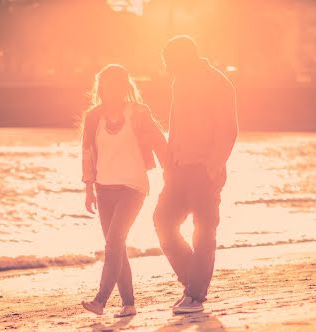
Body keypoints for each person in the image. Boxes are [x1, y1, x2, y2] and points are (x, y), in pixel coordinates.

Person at [154, 35, 238, 315]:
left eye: (171, 63)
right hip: (179, 170)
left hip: (204, 170)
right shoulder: (180, 81)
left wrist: (212, 168)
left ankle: (195, 294)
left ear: (185, 58)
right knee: (163, 221)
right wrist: (169, 164)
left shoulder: (218, 82)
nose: (168, 69)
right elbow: (174, 126)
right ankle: (192, 284)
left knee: (204, 231)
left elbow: (228, 129)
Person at [80, 64, 167, 317]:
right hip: (104, 188)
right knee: (115, 245)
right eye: (107, 85)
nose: (111, 91)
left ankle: (100, 300)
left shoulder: (138, 113)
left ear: (125, 87)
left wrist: (171, 172)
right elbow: (87, 154)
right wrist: (88, 189)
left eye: (117, 85)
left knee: (114, 241)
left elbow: (159, 142)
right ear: (101, 88)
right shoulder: (94, 117)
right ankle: (129, 304)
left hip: (133, 186)